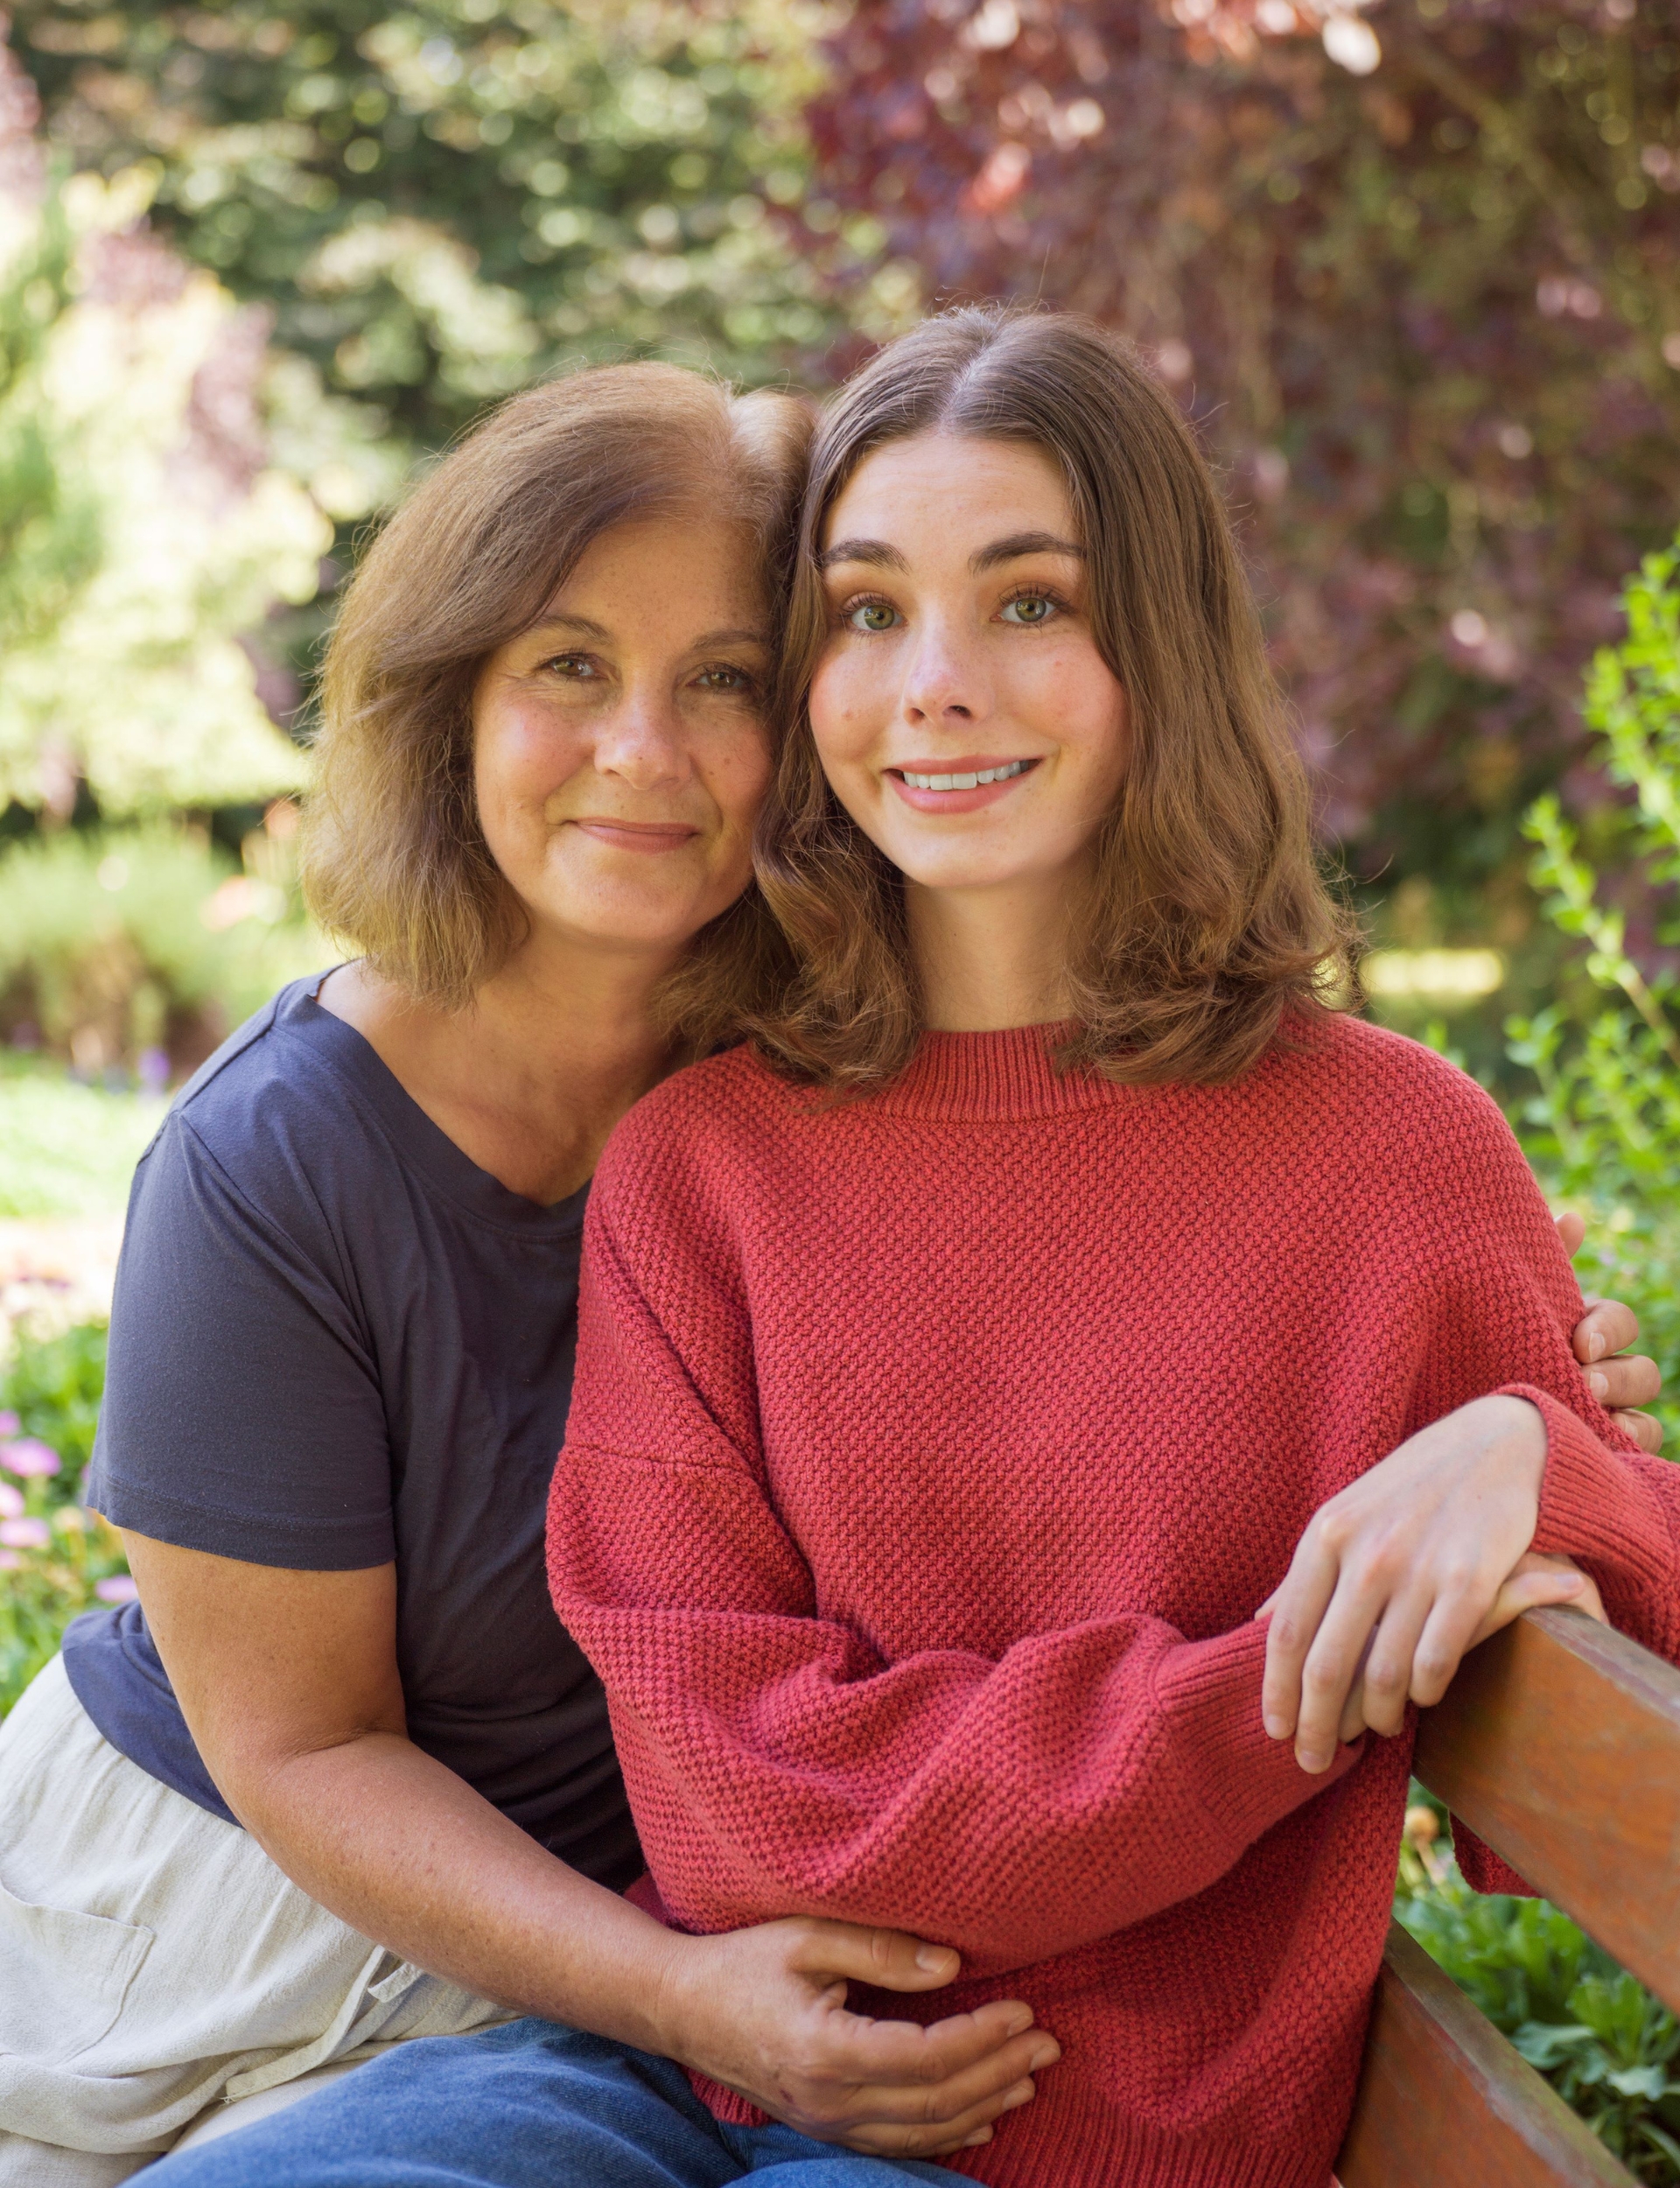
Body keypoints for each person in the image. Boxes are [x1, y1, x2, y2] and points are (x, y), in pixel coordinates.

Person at [144, 309, 1677, 2188]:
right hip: (694, 2063)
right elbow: (732, 1787)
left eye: (1028, 602)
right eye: (868, 611)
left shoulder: (1390, 1152)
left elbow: (1615, 1708)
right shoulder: (706, 1161)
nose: (934, 685)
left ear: (1161, 649)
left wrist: (1539, 1458)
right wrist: (1281, 1695)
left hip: (1069, 2138)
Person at [0, 364, 1068, 2188]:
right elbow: (305, 1752)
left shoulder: (824, 1085)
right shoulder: (273, 1163)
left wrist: (1509, 1408)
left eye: (723, 678)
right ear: (454, 705)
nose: (644, 749)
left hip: (594, 1996)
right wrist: (685, 1998)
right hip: (205, 1937)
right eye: (570, 664)